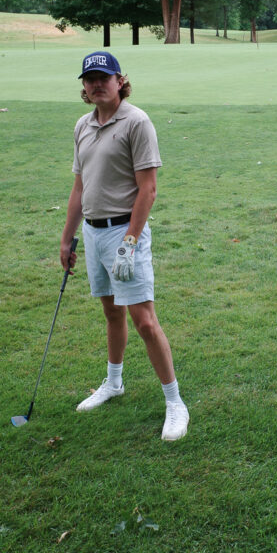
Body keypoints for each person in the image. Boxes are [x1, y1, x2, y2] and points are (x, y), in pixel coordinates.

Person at [59, 51, 189, 441]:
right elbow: (80, 188)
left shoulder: (137, 122)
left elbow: (148, 189)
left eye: (104, 77)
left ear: (120, 80)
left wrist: (130, 241)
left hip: (124, 232)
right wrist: (67, 236)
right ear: (83, 85)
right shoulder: (83, 125)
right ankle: (114, 382)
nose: (96, 84)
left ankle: (174, 403)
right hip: (95, 232)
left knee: (143, 319)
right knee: (112, 312)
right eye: (89, 78)